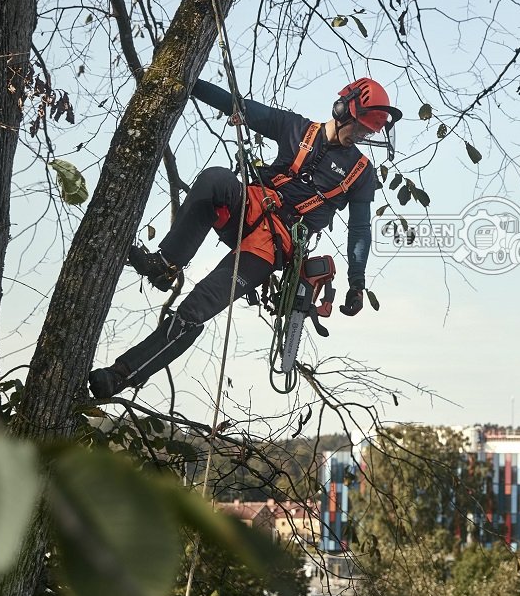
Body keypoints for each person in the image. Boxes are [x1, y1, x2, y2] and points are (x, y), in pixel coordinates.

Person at [87, 76, 401, 399]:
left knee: (195, 310)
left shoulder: (361, 174)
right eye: (361, 127)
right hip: (248, 206)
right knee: (216, 180)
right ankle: (166, 265)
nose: (362, 136)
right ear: (343, 109)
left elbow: (360, 230)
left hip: (272, 246)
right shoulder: (295, 128)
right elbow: (237, 105)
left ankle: (121, 375)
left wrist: (357, 283)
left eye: (368, 132)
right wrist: (188, 82)